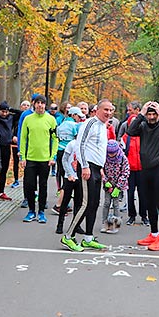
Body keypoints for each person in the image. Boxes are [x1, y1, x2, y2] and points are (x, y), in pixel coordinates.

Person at [61, 99, 115, 252]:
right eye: (105, 110)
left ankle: (88, 238)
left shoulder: (103, 126)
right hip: (88, 167)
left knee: (95, 203)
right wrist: (84, 166)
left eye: (111, 110)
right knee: (85, 203)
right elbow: (80, 144)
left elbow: (99, 148)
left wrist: (102, 167)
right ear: (97, 109)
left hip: (97, 168)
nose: (108, 113)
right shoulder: (90, 123)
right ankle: (68, 236)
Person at [128, 101, 159, 251]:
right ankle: (153, 233)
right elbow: (130, 131)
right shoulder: (142, 126)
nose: (150, 117)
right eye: (148, 114)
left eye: (153, 114)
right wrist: (141, 114)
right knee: (149, 202)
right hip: (146, 168)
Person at [19, 95, 57, 224]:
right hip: (30, 158)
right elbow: (23, 138)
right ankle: (31, 211)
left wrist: (53, 157)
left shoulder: (51, 120)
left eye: (42, 103)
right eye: (38, 103)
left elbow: (55, 139)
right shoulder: (28, 119)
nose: (40, 105)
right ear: (34, 104)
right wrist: (22, 157)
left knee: (43, 185)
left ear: (45, 105)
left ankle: (41, 212)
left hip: (45, 159)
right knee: (29, 185)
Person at [52, 106, 84, 214]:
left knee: (64, 177)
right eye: (78, 116)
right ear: (74, 115)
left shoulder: (61, 124)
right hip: (69, 154)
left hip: (60, 151)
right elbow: (77, 139)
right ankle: (58, 205)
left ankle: (64, 204)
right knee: (69, 180)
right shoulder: (75, 126)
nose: (79, 118)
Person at [122, 113, 148, 226]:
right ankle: (131, 216)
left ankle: (144, 216)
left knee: (143, 194)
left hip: (142, 169)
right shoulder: (125, 137)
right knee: (130, 193)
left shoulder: (145, 135)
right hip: (130, 170)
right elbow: (121, 153)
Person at [100, 140, 130, 234]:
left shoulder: (123, 158)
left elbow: (126, 172)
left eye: (113, 153)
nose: (111, 155)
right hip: (108, 183)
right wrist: (105, 181)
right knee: (106, 203)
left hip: (118, 184)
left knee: (116, 204)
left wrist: (118, 187)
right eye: (109, 153)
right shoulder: (104, 157)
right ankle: (105, 224)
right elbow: (101, 169)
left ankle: (116, 225)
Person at [55, 136, 82, 235]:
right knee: (65, 201)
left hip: (80, 178)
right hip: (69, 177)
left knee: (78, 203)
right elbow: (64, 160)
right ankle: (60, 224)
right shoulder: (72, 144)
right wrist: (69, 174)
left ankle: (76, 225)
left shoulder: (86, 146)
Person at [10, 100, 31, 189]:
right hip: (16, 142)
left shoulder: (31, 117)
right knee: (16, 161)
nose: (26, 107)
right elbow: (9, 128)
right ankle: (16, 180)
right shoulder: (16, 117)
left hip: (28, 144)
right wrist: (12, 137)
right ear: (20, 106)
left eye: (27, 105)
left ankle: (28, 180)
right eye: (24, 105)